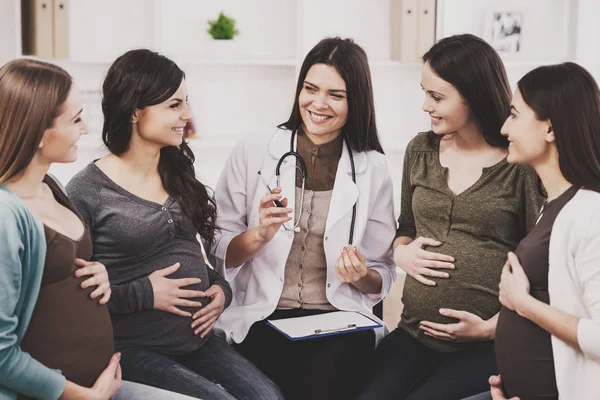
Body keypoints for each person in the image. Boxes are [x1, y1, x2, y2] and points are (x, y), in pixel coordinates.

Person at [66, 49, 283, 400]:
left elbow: (196, 253)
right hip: (134, 347)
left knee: (267, 396)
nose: (187, 115)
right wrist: (144, 293)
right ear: (136, 110)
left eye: (186, 103)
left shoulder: (177, 171)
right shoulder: (87, 191)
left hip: (196, 341)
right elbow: (74, 296)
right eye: (174, 105)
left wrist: (221, 291)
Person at [209, 37, 397, 400]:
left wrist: (360, 276)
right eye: (310, 89)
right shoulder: (253, 151)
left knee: (323, 381)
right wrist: (259, 235)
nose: (318, 104)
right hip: (262, 317)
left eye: (336, 95)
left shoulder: (373, 167)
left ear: (355, 100)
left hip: (337, 320)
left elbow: (382, 276)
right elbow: (218, 251)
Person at [359, 34, 544, 400]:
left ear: (473, 94)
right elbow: (406, 227)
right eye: (425, 92)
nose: (425, 106)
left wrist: (493, 329)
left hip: (485, 346)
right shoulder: (421, 150)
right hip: (413, 334)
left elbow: (537, 261)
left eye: (437, 97)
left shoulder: (518, 165)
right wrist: (401, 253)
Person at [0, 59, 193, 399]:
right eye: (75, 120)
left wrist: (99, 272)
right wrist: (81, 395)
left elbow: (63, 269)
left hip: (104, 380)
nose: (86, 128)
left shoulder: (51, 187)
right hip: (66, 392)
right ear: (38, 131)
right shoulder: (6, 215)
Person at [466, 62, 600, 400]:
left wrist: (522, 304)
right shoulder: (554, 206)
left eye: (514, 115)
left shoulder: (590, 214)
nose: (504, 127)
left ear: (550, 129)